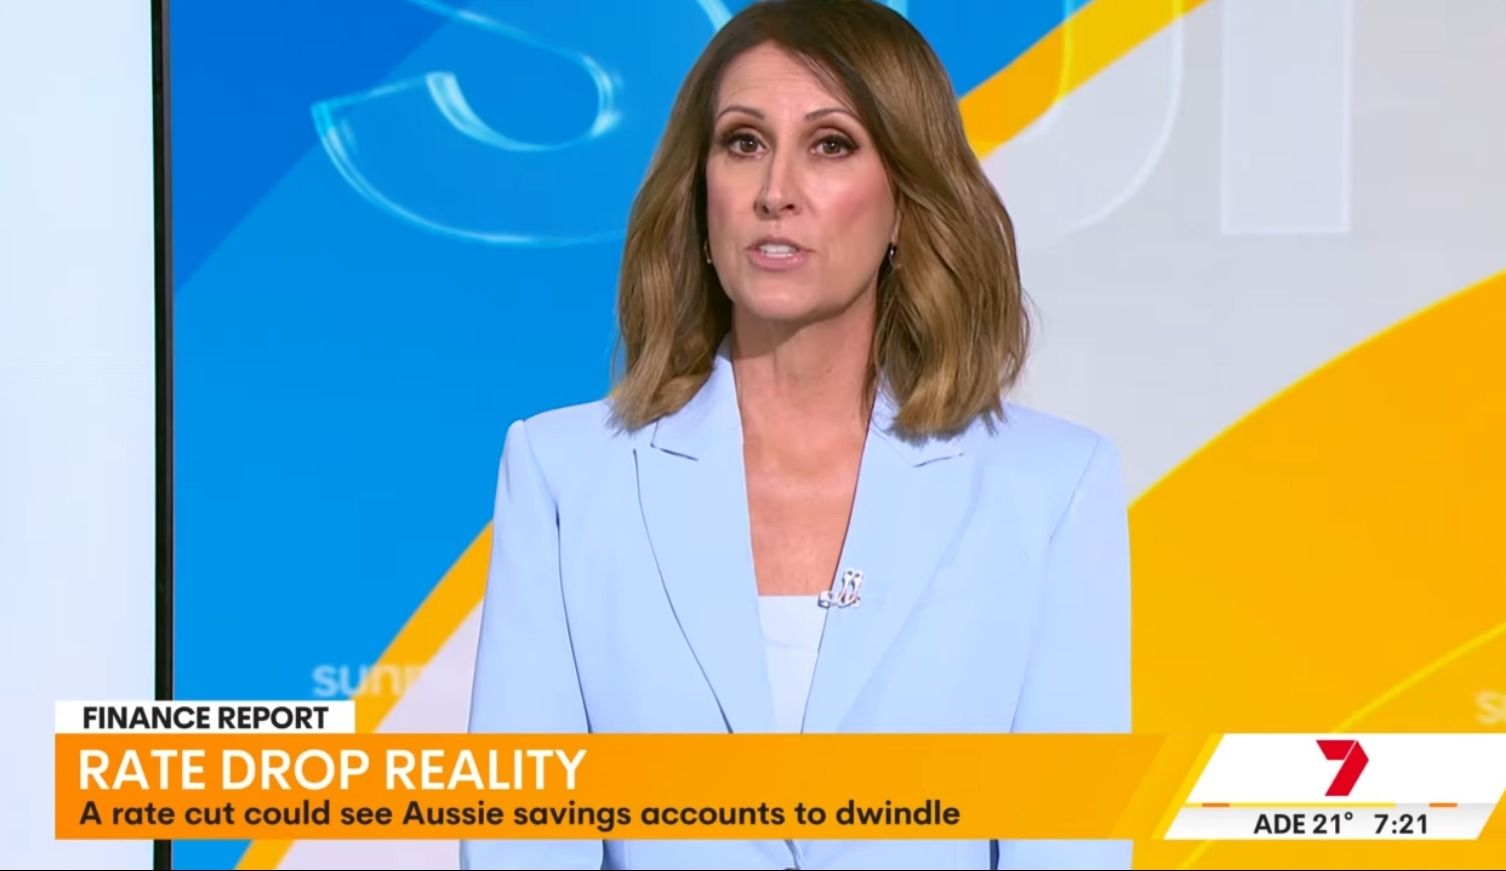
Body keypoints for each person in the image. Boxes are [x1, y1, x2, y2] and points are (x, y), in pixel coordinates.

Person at [461, 1, 1130, 868]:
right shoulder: (564, 474)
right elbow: (520, 845)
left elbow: (1068, 843)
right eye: (743, 142)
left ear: (906, 201)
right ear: (700, 193)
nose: (776, 190)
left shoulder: (1049, 486)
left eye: (831, 144)